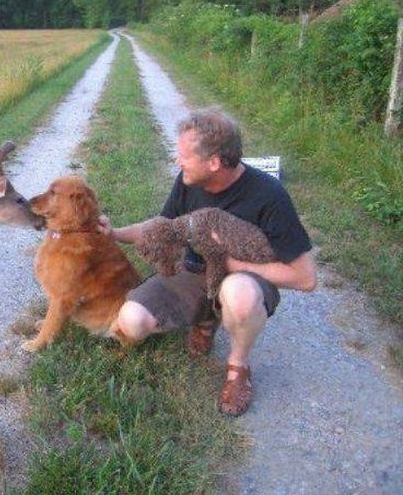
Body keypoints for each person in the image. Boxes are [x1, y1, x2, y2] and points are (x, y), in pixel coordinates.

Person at [99, 108, 317, 416]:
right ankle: (205, 318)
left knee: (239, 296)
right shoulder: (188, 182)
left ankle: (238, 367)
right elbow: (163, 227)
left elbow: (305, 278)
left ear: (214, 162)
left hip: (242, 279)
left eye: (184, 156)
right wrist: (115, 233)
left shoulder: (270, 196)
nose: (178, 162)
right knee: (132, 322)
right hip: (193, 271)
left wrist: (238, 266)